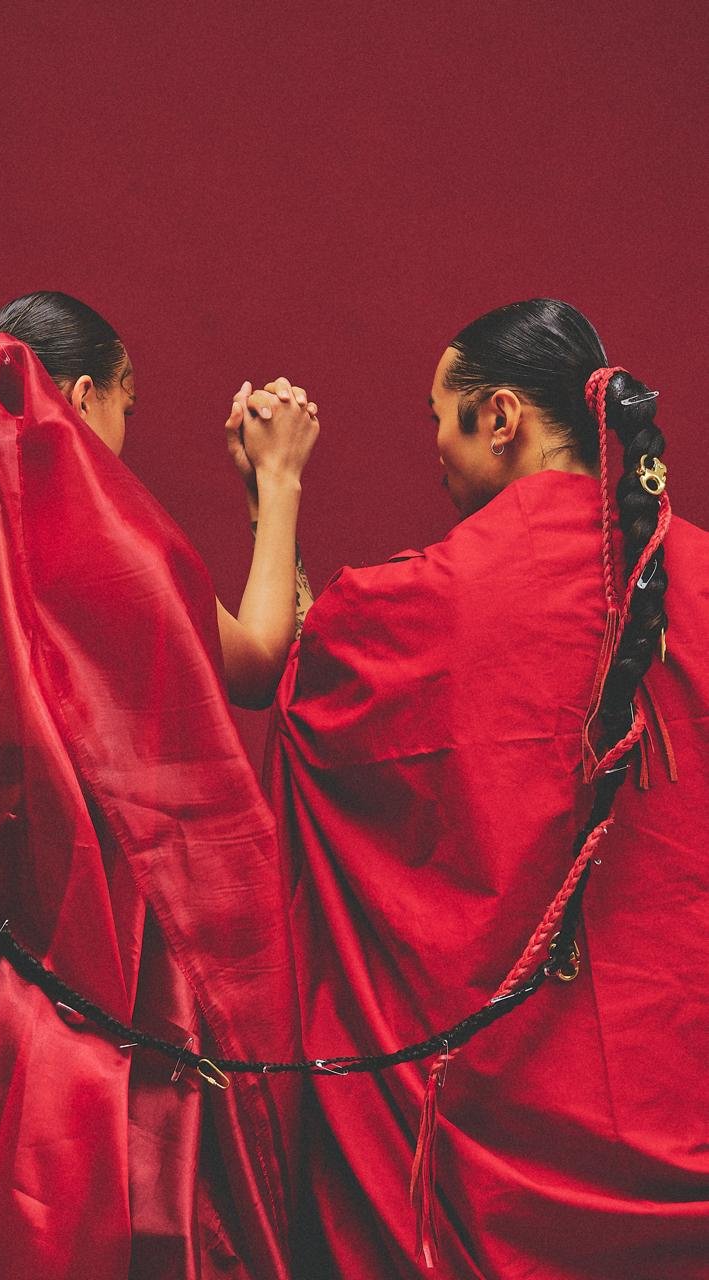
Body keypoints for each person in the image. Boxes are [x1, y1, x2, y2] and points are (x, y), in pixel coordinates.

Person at [0, 291, 318, 1280]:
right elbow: (253, 661)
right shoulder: (108, 542)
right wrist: (273, 487)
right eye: (124, 406)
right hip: (74, 985)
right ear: (76, 396)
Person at [260, 300, 708, 1279]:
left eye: (438, 417)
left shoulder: (438, 595)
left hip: (494, 1132)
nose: (433, 445)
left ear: (499, 415)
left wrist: (275, 484)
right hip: (684, 1103)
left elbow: (299, 673)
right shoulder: (700, 577)